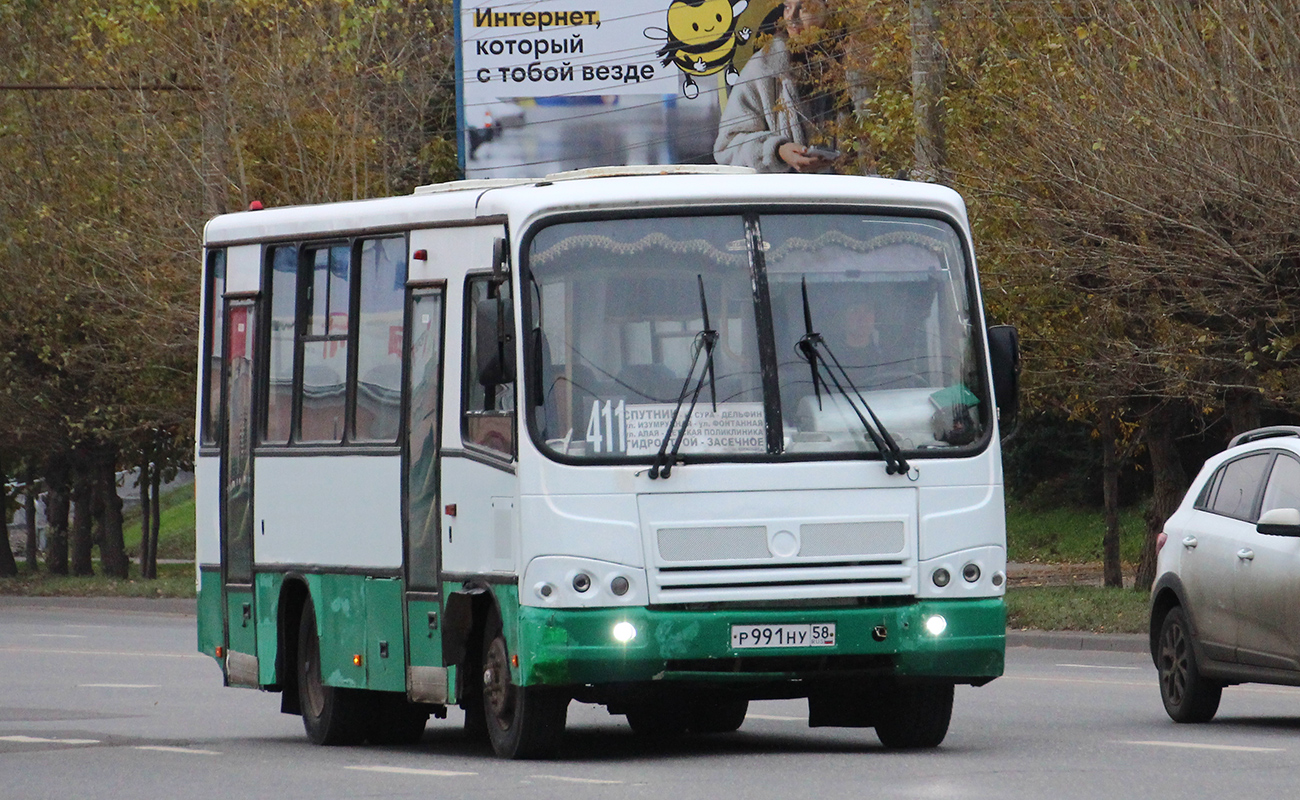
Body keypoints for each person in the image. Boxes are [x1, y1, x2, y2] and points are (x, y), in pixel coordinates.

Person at [713, 0, 844, 173]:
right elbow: (727, 147)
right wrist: (777, 151)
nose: (792, 18)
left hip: (854, 194)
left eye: (803, 8)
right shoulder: (764, 67)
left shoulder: (860, 63)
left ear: (830, 8)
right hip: (786, 196)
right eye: (787, 7)